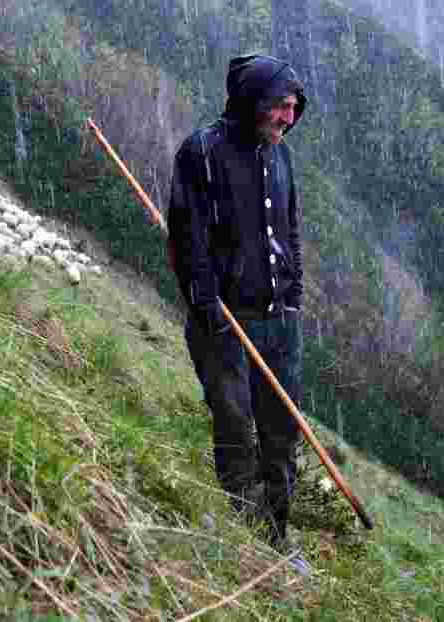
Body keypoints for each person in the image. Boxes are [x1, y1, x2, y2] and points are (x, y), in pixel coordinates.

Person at [167, 54, 307, 560]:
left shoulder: (282, 155)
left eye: (294, 108)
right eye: (280, 107)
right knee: (235, 428)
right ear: (252, 102)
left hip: (278, 322)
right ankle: (246, 539)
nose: (287, 119)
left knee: (281, 435)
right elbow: (187, 237)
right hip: (223, 323)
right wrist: (207, 305)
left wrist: (292, 299)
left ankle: (275, 538)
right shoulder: (201, 153)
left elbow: (289, 229)